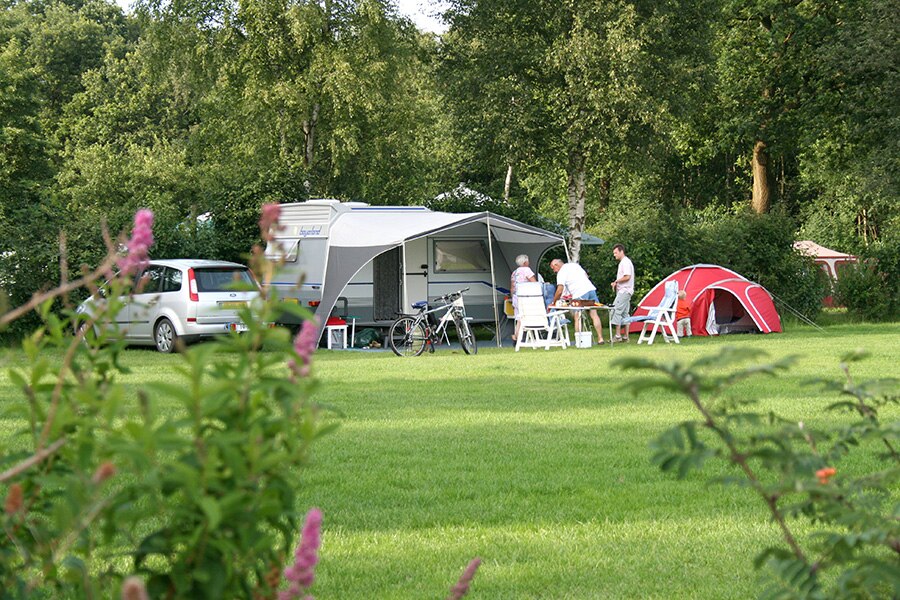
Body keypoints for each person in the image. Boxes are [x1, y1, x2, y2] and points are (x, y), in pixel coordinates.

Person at [550, 258, 605, 343]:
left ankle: (579, 341)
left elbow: (560, 290)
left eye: (553, 268)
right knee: (594, 314)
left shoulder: (561, 273)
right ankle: (600, 338)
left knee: (577, 316)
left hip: (580, 293)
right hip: (591, 290)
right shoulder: (574, 265)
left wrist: (554, 302)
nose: (554, 271)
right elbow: (586, 276)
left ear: (556, 265)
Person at [609, 244, 634, 342]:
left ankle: (618, 336)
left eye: (615, 253)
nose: (614, 255)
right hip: (626, 291)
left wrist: (616, 282)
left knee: (616, 310)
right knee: (625, 314)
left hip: (624, 291)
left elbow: (627, 276)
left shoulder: (625, 262)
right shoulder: (624, 262)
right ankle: (626, 337)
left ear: (621, 251)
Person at [510, 254, 537, 341]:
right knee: (526, 317)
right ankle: (531, 337)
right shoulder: (527, 270)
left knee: (519, 318)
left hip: (515, 297)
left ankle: (516, 336)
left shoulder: (514, 272)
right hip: (524, 298)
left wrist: (512, 299)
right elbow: (534, 283)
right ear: (525, 262)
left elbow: (512, 287)